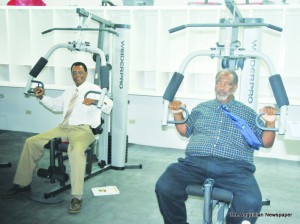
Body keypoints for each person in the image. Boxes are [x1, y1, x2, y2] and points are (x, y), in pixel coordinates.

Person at [155, 69, 277, 224]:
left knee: (251, 201)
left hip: (234, 168)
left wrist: (270, 122)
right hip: (194, 163)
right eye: (218, 82)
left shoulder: (248, 113)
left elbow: (266, 143)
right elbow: (185, 130)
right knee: (165, 186)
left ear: (235, 87)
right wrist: (177, 113)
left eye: (227, 84)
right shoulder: (201, 108)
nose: (221, 87)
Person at [3, 62, 112, 214]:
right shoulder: (69, 91)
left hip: (83, 130)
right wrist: (41, 97)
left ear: (86, 74)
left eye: (80, 72)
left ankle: (76, 197)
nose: (77, 75)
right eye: (74, 72)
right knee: (31, 142)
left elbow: (109, 105)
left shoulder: (94, 89)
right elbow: (55, 105)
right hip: (64, 127)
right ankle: (22, 184)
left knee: (75, 151)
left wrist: (94, 101)